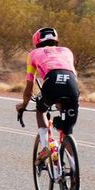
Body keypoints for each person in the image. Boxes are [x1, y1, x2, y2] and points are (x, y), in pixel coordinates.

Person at [15, 27, 80, 164]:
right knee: (67, 131)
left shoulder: (33, 54)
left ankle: (45, 148)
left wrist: (23, 105)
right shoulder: (67, 51)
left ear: (37, 42)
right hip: (72, 85)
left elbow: (29, 86)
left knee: (41, 110)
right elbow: (71, 74)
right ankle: (74, 174)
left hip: (52, 82)